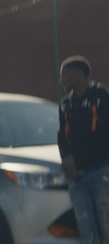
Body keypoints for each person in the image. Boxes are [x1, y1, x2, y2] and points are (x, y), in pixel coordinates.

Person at [57, 55, 109, 244]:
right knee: (85, 222)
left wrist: (77, 159)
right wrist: (66, 160)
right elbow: (62, 136)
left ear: (78, 74)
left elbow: (104, 138)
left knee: (106, 219)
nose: (61, 80)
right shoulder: (65, 104)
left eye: (64, 75)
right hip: (76, 175)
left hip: (100, 170)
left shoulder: (101, 97)